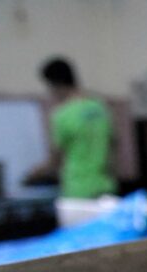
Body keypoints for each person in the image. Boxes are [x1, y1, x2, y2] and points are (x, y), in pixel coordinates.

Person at [25, 57, 116, 198]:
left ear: (56, 84)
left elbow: (55, 160)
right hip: (105, 185)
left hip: (78, 189)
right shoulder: (100, 107)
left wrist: (35, 173)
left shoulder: (63, 115)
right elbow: (113, 145)